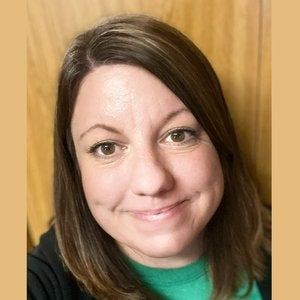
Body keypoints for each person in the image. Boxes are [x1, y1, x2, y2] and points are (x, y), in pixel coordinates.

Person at [27, 14, 271, 300]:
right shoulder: (44, 280)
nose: (152, 181)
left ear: (219, 139)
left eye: (178, 134)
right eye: (107, 147)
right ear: (75, 168)